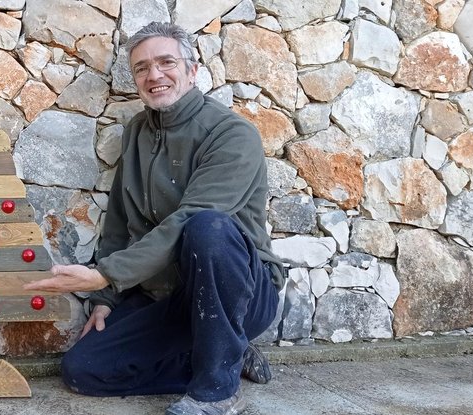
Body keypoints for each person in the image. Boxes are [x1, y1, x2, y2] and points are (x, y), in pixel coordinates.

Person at [24, 21, 285, 415]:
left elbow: (194, 217)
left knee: (207, 227)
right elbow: (119, 219)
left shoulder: (233, 135)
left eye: (166, 62)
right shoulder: (137, 132)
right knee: (84, 370)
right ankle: (224, 353)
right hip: (167, 296)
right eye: (142, 68)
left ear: (192, 70)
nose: (154, 75)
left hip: (241, 294)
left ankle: (216, 391)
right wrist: (106, 298)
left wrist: (105, 275)